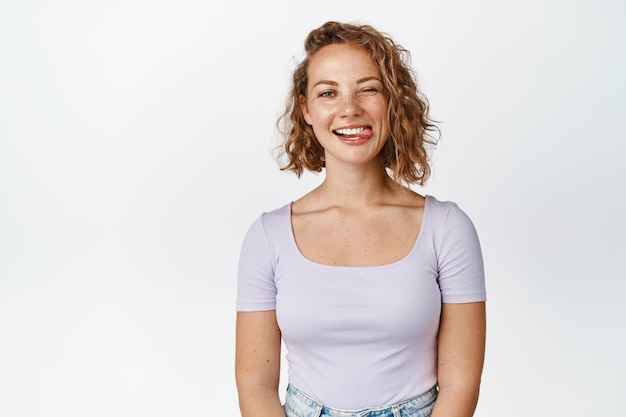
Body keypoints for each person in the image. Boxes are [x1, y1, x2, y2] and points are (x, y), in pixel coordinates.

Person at [235, 21, 486, 417]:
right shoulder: (268, 236)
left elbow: (460, 383)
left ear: (393, 100)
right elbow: (255, 385)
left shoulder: (447, 229)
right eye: (328, 93)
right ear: (306, 109)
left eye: (368, 89)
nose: (349, 109)